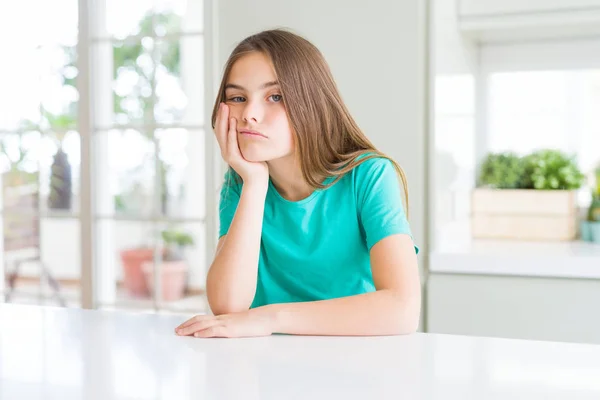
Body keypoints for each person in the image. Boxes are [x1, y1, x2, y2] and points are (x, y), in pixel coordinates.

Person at [175, 29, 420, 338]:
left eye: (274, 97)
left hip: (357, 362)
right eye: (238, 98)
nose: (249, 114)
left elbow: (403, 309)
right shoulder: (240, 183)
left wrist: (271, 318)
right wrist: (254, 184)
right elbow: (227, 304)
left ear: (312, 102)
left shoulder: (370, 175)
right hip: (269, 365)